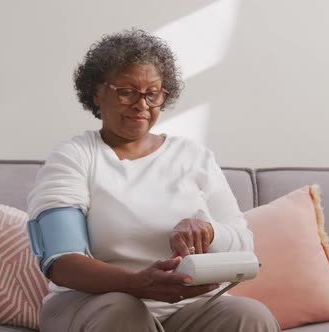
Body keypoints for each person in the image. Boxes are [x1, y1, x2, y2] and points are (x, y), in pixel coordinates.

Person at [27, 29, 280, 332]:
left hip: (185, 309)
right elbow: (61, 260)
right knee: (124, 309)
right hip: (93, 304)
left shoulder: (194, 157)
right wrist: (137, 284)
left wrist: (210, 232)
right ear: (97, 93)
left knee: (250, 315)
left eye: (152, 93)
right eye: (127, 92)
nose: (141, 105)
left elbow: (244, 246)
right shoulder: (75, 157)